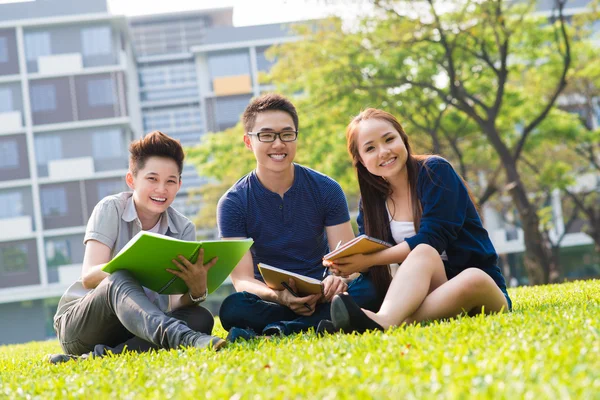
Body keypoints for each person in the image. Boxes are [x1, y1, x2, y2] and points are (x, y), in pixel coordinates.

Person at [326, 108, 512, 333]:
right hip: (425, 295)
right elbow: (373, 269)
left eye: (389, 139)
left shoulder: (435, 171)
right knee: (422, 253)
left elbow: (433, 238)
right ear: (362, 161)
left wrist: (370, 260)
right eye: (370, 148)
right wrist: (345, 269)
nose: (384, 151)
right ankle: (382, 321)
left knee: (441, 259)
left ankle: (383, 322)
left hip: (479, 291)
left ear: (403, 139)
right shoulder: (371, 202)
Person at [217, 93, 382, 340]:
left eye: (286, 134)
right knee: (233, 307)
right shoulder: (233, 203)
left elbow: (347, 261)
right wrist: (278, 296)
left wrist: (335, 280)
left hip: (325, 292)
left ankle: (283, 330)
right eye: (266, 135)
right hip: (273, 298)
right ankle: (318, 323)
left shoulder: (326, 188)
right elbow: (242, 279)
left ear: (295, 137)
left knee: (371, 288)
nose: (278, 144)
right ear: (248, 141)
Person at [50, 131, 224, 363]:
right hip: (83, 326)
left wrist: (196, 290)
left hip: (140, 325)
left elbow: (175, 304)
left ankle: (95, 359)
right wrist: (137, 266)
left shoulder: (183, 228)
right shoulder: (111, 208)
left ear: (179, 184)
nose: (161, 189)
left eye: (170, 181)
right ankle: (186, 339)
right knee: (119, 277)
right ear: (132, 180)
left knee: (200, 318)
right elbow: (90, 277)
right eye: (152, 179)